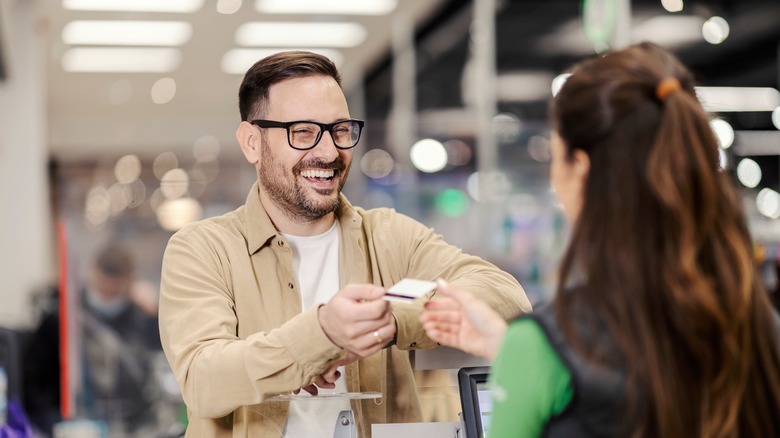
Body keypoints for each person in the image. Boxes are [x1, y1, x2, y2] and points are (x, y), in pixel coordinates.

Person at [157, 50, 531, 438]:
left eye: (340, 130)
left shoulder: (388, 236)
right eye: (302, 131)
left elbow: (505, 297)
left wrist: (392, 321)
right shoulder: (203, 249)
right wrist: (321, 335)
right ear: (252, 142)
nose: (329, 151)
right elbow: (203, 379)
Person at [421, 42, 780, 437]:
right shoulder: (757, 325)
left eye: (556, 156)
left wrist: (529, 356)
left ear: (582, 169)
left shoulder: (543, 347)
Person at [24, 243, 162, 436]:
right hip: (73, 425)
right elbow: (32, 380)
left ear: (130, 282)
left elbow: (160, 362)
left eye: (114, 292)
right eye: (103, 288)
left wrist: (155, 314)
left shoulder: (139, 319)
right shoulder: (62, 317)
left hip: (133, 427)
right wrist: (52, 424)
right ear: (92, 273)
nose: (108, 296)